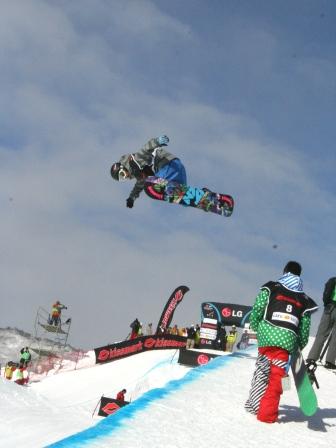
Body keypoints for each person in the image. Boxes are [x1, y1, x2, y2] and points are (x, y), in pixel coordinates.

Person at [245, 261, 317, 423]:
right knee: (277, 377)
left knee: (262, 371)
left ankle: (254, 405)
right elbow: (304, 328)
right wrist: (299, 345)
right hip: (286, 341)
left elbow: (258, 308)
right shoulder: (304, 300)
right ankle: (267, 415)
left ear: (285, 272)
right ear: (299, 275)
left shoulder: (271, 287)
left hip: (266, 336)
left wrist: (256, 325)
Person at [110, 136, 187, 208]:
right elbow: (138, 187)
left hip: (166, 165)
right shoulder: (139, 176)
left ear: (123, 166)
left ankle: (171, 190)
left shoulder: (135, 160)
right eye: (123, 179)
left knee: (150, 187)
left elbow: (146, 148)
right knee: (185, 197)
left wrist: (157, 141)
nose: (125, 177)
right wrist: (131, 198)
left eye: (122, 174)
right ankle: (186, 196)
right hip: (178, 170)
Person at [306, 276, 336, 370]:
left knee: (321, 333)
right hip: (330, 306)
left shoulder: (333, 280)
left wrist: (326, 303)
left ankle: (312, 357)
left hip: (329, 307)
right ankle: (330, 361)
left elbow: (326, 292)